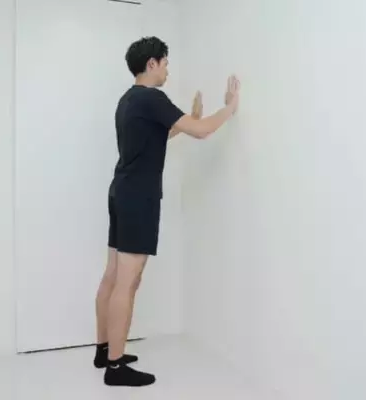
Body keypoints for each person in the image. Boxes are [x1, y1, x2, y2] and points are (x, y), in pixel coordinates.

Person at [93, 36, 241, 387]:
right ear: (152, 64)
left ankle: (105, 351)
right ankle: (115, 368)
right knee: (128, 281)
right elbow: (202, 132)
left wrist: (191, 117)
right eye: (165, 63)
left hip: (121, 191)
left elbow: (158, 137)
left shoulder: (128, 100)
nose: (167, 70)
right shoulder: (152, 98)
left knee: (113, 275)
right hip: (138, 197)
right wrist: (230, 107)